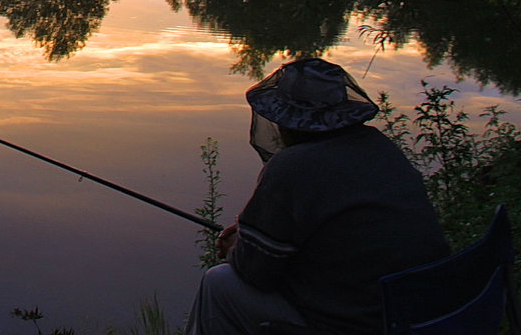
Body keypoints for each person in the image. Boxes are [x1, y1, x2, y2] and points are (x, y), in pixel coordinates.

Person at [184, 57, 449, 335]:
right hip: (421, 310)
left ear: (287, 119)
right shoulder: (380, 146)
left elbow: (256, 272)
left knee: (219, 283)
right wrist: (253, 237)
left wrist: (238, 247)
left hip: (361, 324)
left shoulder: (294, 166)